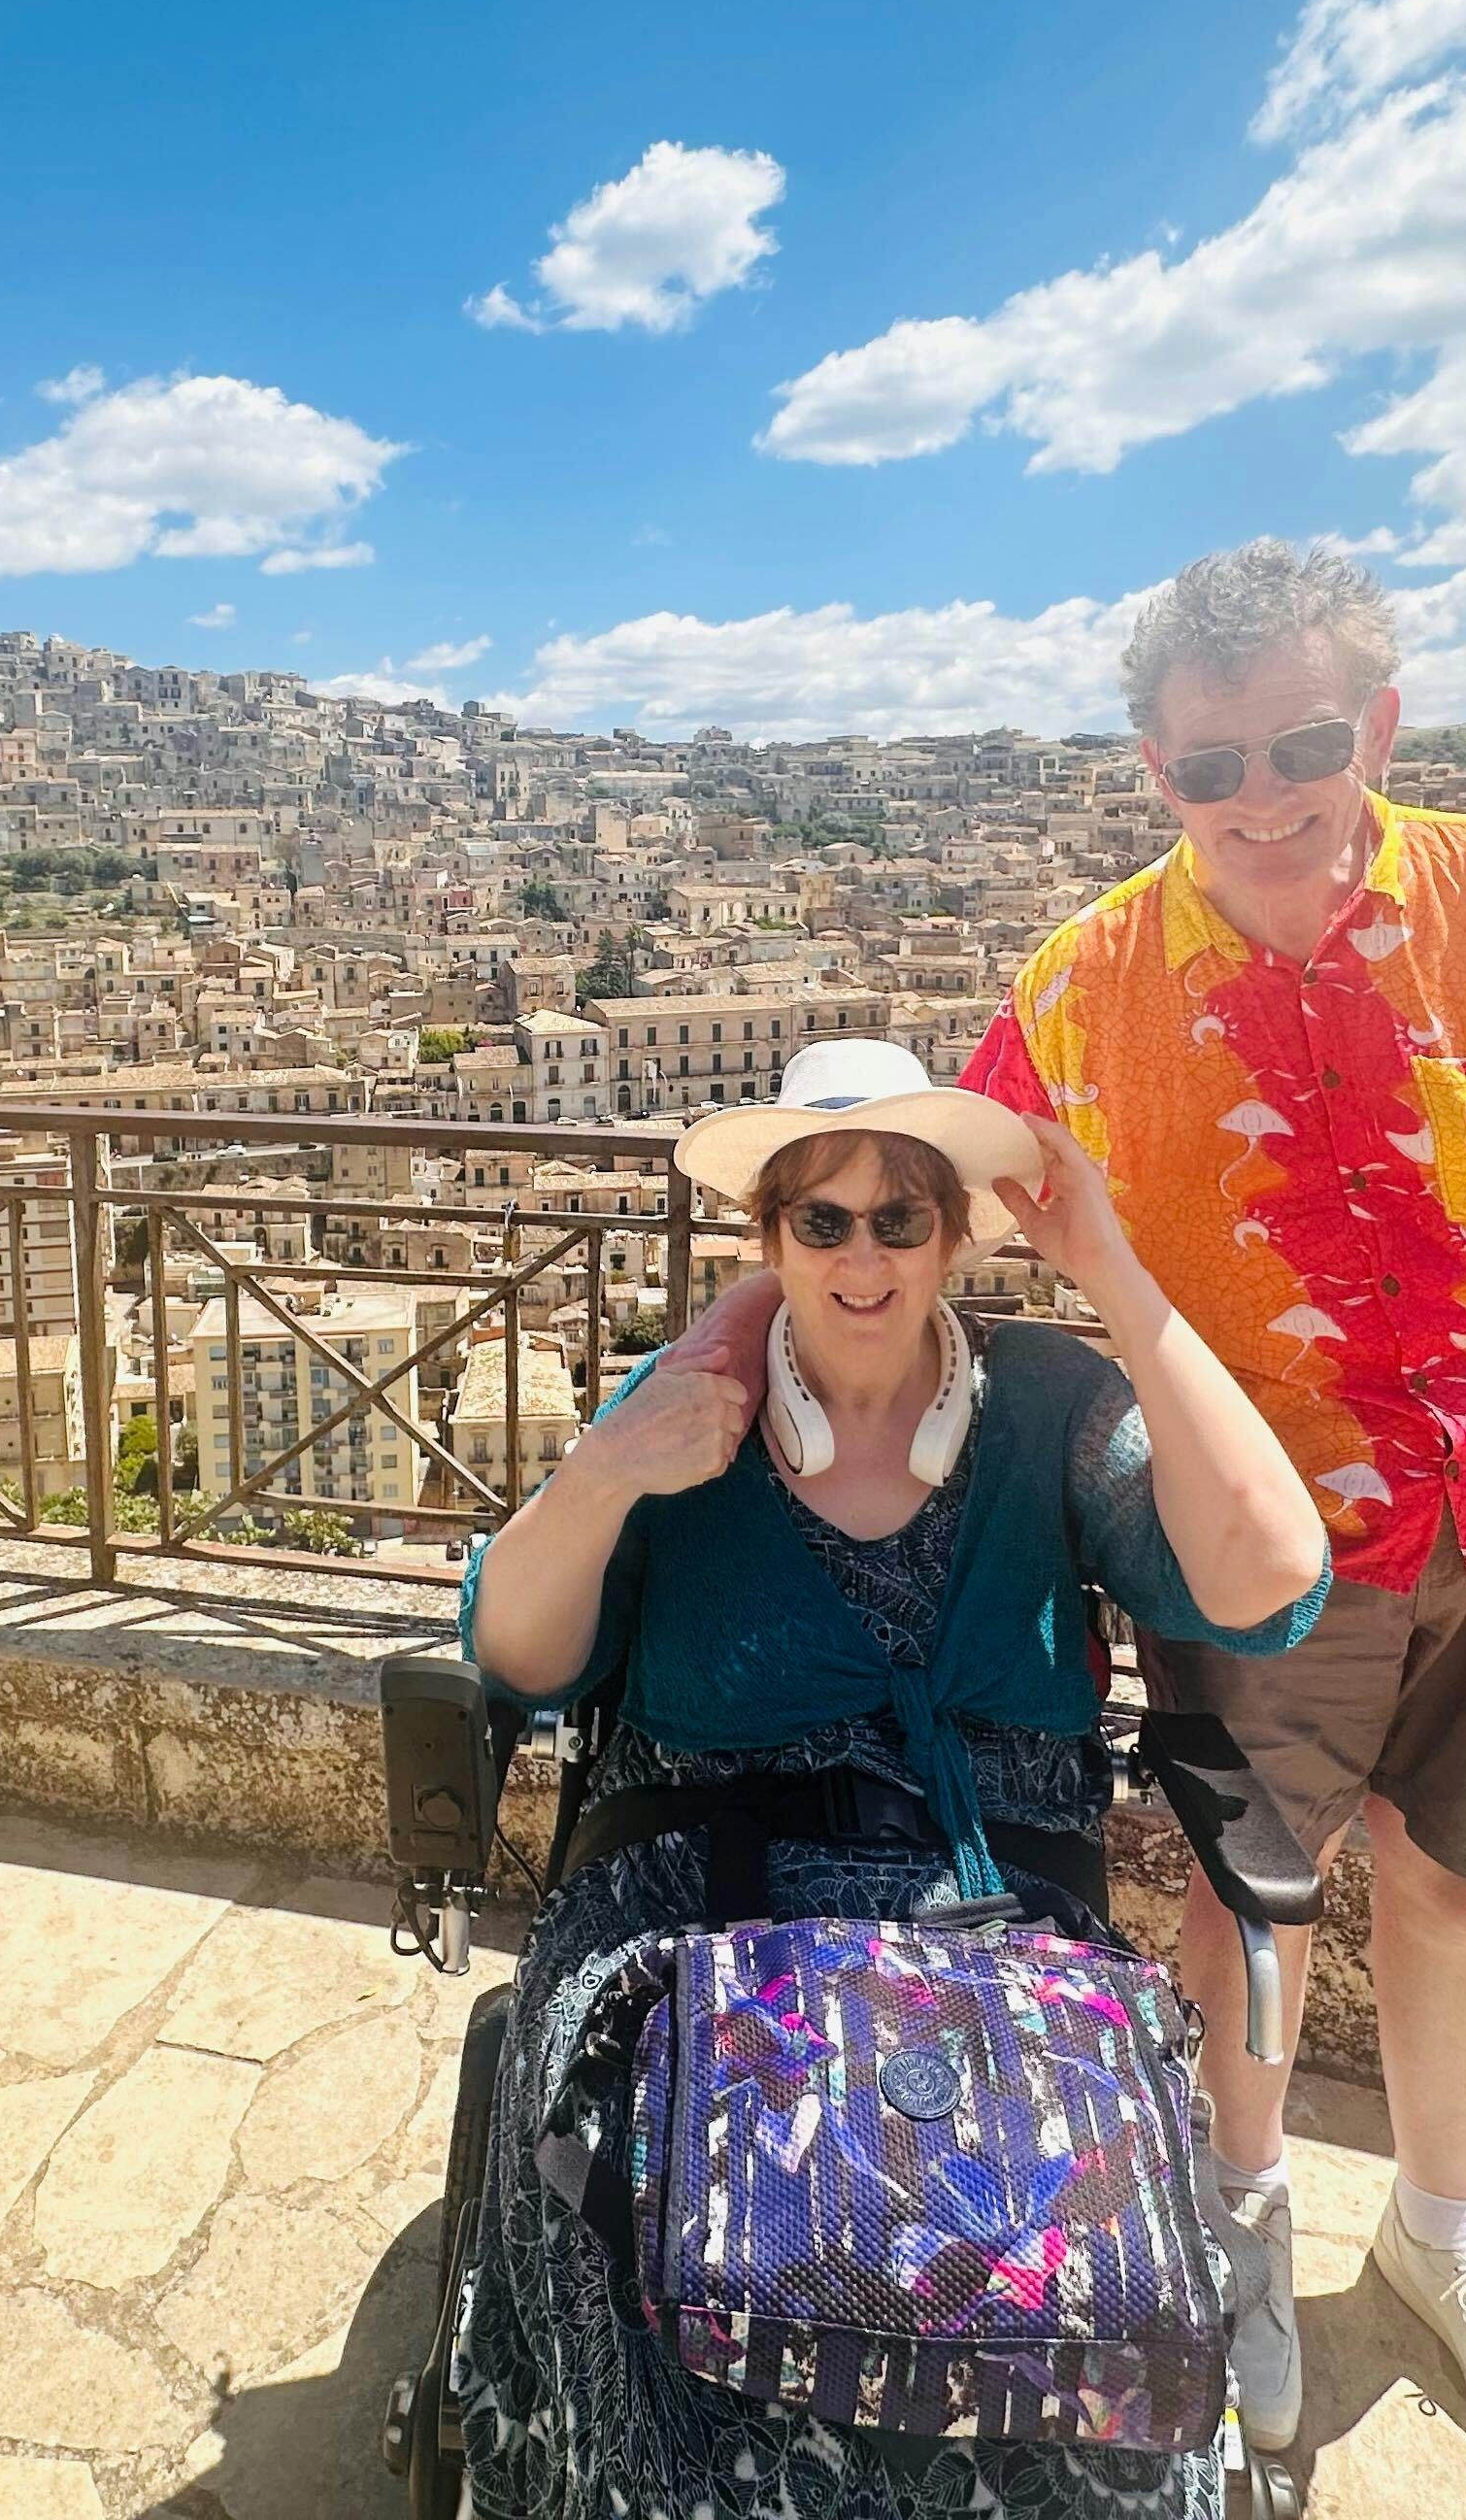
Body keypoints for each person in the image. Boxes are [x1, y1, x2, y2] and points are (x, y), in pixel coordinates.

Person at [961, 539, 1466, 2520]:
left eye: (1300, 742)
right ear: (1151, 769)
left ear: (1376, 722)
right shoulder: (1085, 982)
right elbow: (942, 1181)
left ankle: (1444, 2243)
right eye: (1212, 764)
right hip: (1259, 1538)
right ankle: (1245, 2226)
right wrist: (760, 1311)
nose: (1263, 794)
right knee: (1248, 1906)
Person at [457, 1037, 1332, 2520]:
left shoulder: (1048, 1407)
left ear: (952, 1235)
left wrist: (1110, 1267)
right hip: (696, 1932)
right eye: (821, 1221)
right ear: (771, 1235)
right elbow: (518, 1656)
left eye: (900, 1219)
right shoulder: (684, 1414)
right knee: (640, 2245)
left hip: (997, 1946)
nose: (861, 1258)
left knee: (1073, 2359)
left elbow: (1270, 1574)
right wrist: (608, 1470)